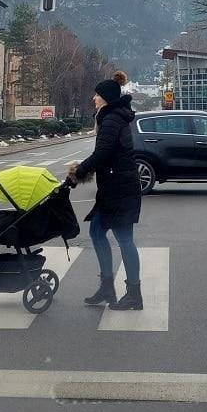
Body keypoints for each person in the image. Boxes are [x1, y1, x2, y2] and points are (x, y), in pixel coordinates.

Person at [69, 70, 143, 310]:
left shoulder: (111, 119)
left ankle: (133, 294)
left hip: (120, 189)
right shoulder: (112, 117)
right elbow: (105, 155)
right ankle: (107, 287)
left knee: (124, 239)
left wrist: (79, 172)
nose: (94, 99)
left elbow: (102, 154)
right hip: (116, 187)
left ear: (106, 98)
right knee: (97, 233)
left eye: (97, 95)